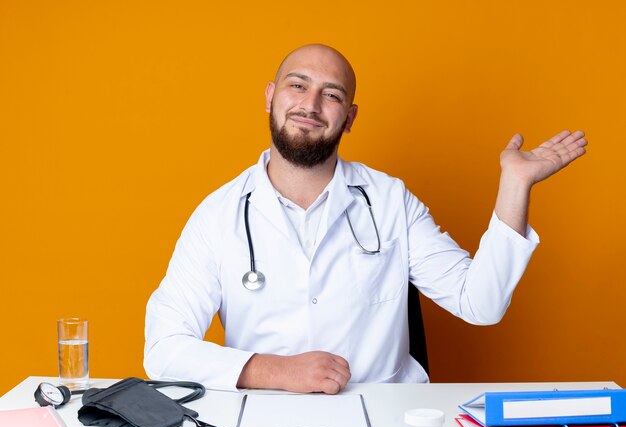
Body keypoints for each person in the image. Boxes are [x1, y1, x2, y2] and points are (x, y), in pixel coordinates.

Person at [144, 44, 587, 394]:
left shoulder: (390, 200)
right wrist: (275, 371)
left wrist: (515, 185)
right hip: (263, 416)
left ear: (349, 117)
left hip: (386, 415)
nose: (311, 104)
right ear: (270, 96)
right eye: (297, 85)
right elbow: (163, 348)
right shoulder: (218, 215)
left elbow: (481, 304)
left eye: (331, 94)